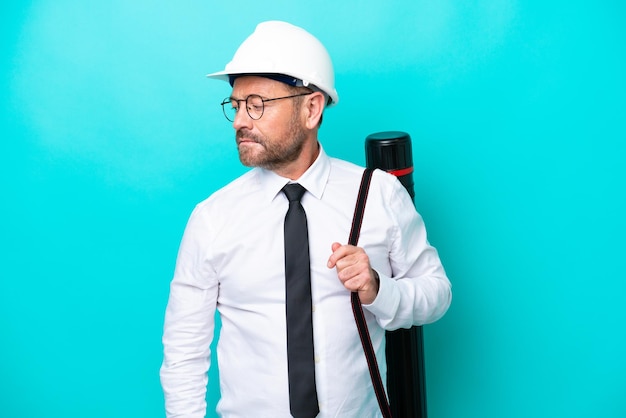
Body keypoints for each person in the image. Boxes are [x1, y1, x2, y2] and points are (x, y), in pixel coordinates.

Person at [160, 20, 451, 418]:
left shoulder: (378, 194)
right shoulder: (213, 219)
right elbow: (184, 353)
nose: (242, 120)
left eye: (257, 103)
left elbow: (437, 294)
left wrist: (378, 289)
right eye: (236, 104)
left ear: (311, 108)